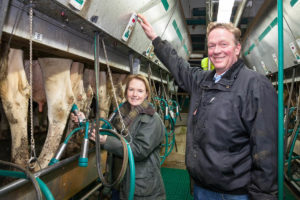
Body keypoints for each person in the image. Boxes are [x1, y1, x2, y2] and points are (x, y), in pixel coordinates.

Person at [138, 14, 278, 200]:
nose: (216, 50)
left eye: (223, 44)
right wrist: (155, 40)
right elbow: (180, 67)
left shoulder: (255, 85)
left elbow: (267, 147)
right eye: (212, 46)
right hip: (202, 186)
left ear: (237, 48)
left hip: (234, 192)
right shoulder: (203, 80)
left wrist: (263, 196)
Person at [84, 74, 166, 200]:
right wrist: (86, 124)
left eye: (140, 91)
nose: (134, 94)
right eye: (131, 89)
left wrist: (106, 141)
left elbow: (139, 151)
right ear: (126, 91)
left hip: (140, 186)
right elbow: (108, 132)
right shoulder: (122, 113)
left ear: (146, 94)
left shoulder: (152, 120)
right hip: (119, 180)